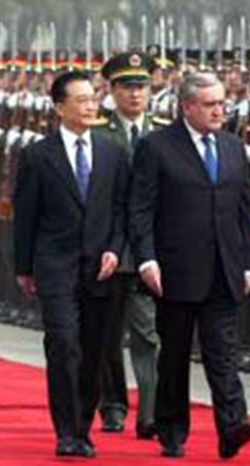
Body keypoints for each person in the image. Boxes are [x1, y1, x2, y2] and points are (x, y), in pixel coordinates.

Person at [129, 72, 250, 459]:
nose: (219, 110)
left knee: (224, 352)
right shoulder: (157, 147)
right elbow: (141, 208)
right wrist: (146, 259)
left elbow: (244, 211)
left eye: (222, 102)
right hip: (176, 269)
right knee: (175, 354)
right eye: (209, 104)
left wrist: (248, 263)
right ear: (187, 107)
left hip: (224, 269)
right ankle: (171, 428)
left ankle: (232, 424)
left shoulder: (233, 148)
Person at [13, 70, 129, 458]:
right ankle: (65, 430)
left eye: (93, 97)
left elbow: (121, 208)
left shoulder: (113, 151)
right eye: (80, 99)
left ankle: (83, 428)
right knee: (63, 344)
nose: (90, 105)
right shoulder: (38, 154)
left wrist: (116, 248)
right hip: (55, 264)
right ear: (60, 107)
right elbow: (26, 214)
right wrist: (24, 266)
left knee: (95, 350)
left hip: (101, 266)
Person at [94, 51, 160, 439]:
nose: (135, 95)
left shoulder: (166, 132)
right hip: (108, 249)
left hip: (149, 250)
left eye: (141, 86)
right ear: (111, 90)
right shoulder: (99, 133)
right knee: (106, 334)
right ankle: (113, 405)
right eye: (126, 87)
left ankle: (150, 411)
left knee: (148, 334)